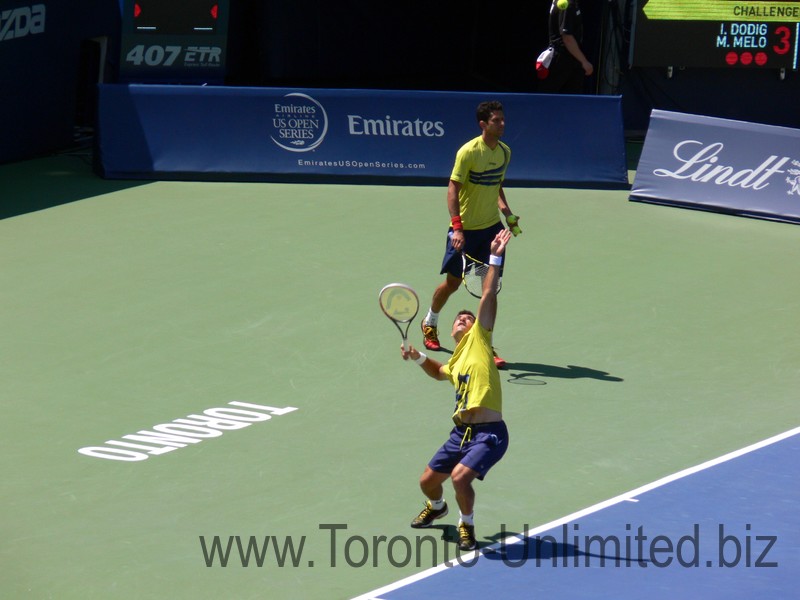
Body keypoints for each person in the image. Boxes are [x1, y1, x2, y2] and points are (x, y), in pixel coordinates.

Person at [401, 228, 512, 552]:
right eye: (459, 319)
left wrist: (495, 257)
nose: (464, 319)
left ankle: (467, 526)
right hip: (460, 433)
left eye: (468, 317)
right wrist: (418, 356)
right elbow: (440, 372)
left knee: (460, 478)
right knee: (427, 482)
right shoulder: (455, 361)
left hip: (490, 432)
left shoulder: (480, 340)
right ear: (451, 331)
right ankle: (438, 508)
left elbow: (489, 295)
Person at [421, 100, 521, 369]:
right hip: (464, 231)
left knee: (490, 291)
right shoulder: (467, 152)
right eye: (496, 120)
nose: (502, 124)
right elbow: (452, 189)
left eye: (502, 119)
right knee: (452, 284)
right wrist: (456, 227)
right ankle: (430, 322)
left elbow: (496, 186)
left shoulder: (505, 152)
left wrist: (508, 215)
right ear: (483, 125)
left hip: (492, 231)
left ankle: (486, 345)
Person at [538, 0, 593, 94]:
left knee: (570, 101)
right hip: (562, 59)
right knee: (550, 99)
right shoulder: (567, 4)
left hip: (569, 60)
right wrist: (584, 61)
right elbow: (567, 37)